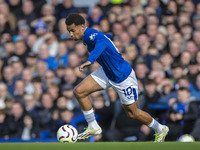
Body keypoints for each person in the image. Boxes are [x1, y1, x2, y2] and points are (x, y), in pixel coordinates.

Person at [65, 13, 169, 142]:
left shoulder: (90, 35)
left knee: (133, 113)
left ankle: (160, 128)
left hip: (122, 76)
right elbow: (105, 38)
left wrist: (90, 60)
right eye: (69, 31)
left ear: (82, 26)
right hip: (107, 72)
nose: (71, 34)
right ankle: (93, 126)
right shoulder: (88, 37)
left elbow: (101, 43)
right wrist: (111, 39)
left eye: (72, 30)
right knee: (79, 92)